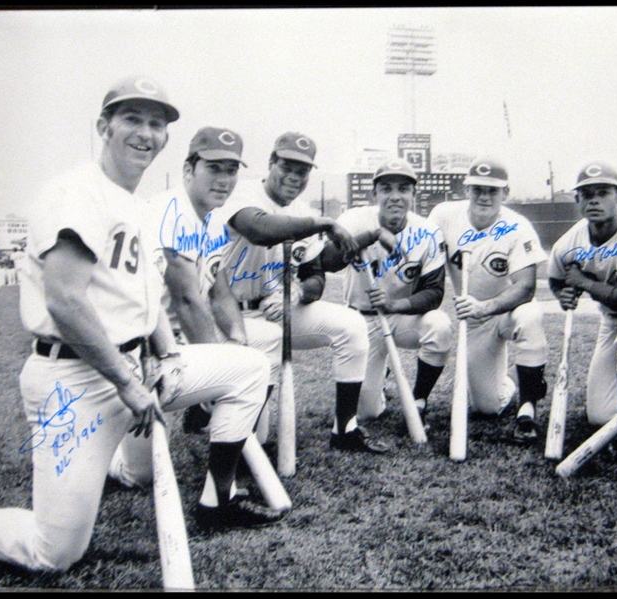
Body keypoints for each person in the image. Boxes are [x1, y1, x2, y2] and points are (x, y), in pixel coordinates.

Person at [0, 76, 280, 574]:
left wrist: (167, 355)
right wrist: (127, 382)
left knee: (249, 367)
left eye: (156, 123)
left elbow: (146, 303)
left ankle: (214, 498)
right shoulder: (76, 193)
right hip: (73, 380)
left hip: (137, 369)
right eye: (132, 119)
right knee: (54, 552)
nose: (145, 133)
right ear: (104, 126)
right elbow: (64, 300)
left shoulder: (137, 206)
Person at [107, 125, 285, 501]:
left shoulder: (214, 218)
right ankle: (102, 450)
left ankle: (225, 470)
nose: (224, 179)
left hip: (172, 351)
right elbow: (187, 298)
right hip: (140, 355)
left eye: (231, 170)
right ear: (189, 169)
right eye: (214, 168)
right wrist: (222, 359)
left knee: (258, 347)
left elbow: (218, 289)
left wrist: (236, 338)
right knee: (139, 476)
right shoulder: (170, 209)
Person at [210, 131, 390, 454]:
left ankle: (345, 429)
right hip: (228, 315)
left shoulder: (302, 209)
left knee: (350, 326)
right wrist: (322, 223)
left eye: (302, 170)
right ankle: (218, 415)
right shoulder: (243, 193)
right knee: (257, 439)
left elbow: (316, 275)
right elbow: (260, 230)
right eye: (287, 166)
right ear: (270, 163)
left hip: (275, 309)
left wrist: (294, 294)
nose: (294, 176)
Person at [320, 158, 452, 430]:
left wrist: (395, 303)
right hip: (361, 319)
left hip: (401, 317)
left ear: (413, 194)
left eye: (403, 189)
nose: (395, 197)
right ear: (375, 194)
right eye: (387, 189)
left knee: (439, 326)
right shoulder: (353, 219)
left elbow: (435, 293)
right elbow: (327, 262)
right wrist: (370, 236)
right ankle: (378, 379)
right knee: (367, 413)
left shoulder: (427, 231)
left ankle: (419, 401)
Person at [427, 157, 549, 445]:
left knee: (530, 315)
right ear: (466, 189)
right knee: (487, 408)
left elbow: (526, 287)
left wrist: (486, 307)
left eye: (493, 191)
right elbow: (421, 250)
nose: (484, 196)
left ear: (505, 194)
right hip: (474, 321)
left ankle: (528, 407)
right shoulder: (443, 215)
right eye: (478, 189)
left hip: (506, 312)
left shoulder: (518, 226)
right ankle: (518, 379)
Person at [548, 162, 617, 456]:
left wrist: (583, 282)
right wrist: (564, 295)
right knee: (598, 415)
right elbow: (556, 278)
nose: (593, 200)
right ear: (577, 201)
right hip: (612, 319)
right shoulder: (568, 243)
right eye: (586, 194)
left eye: (603, 192)